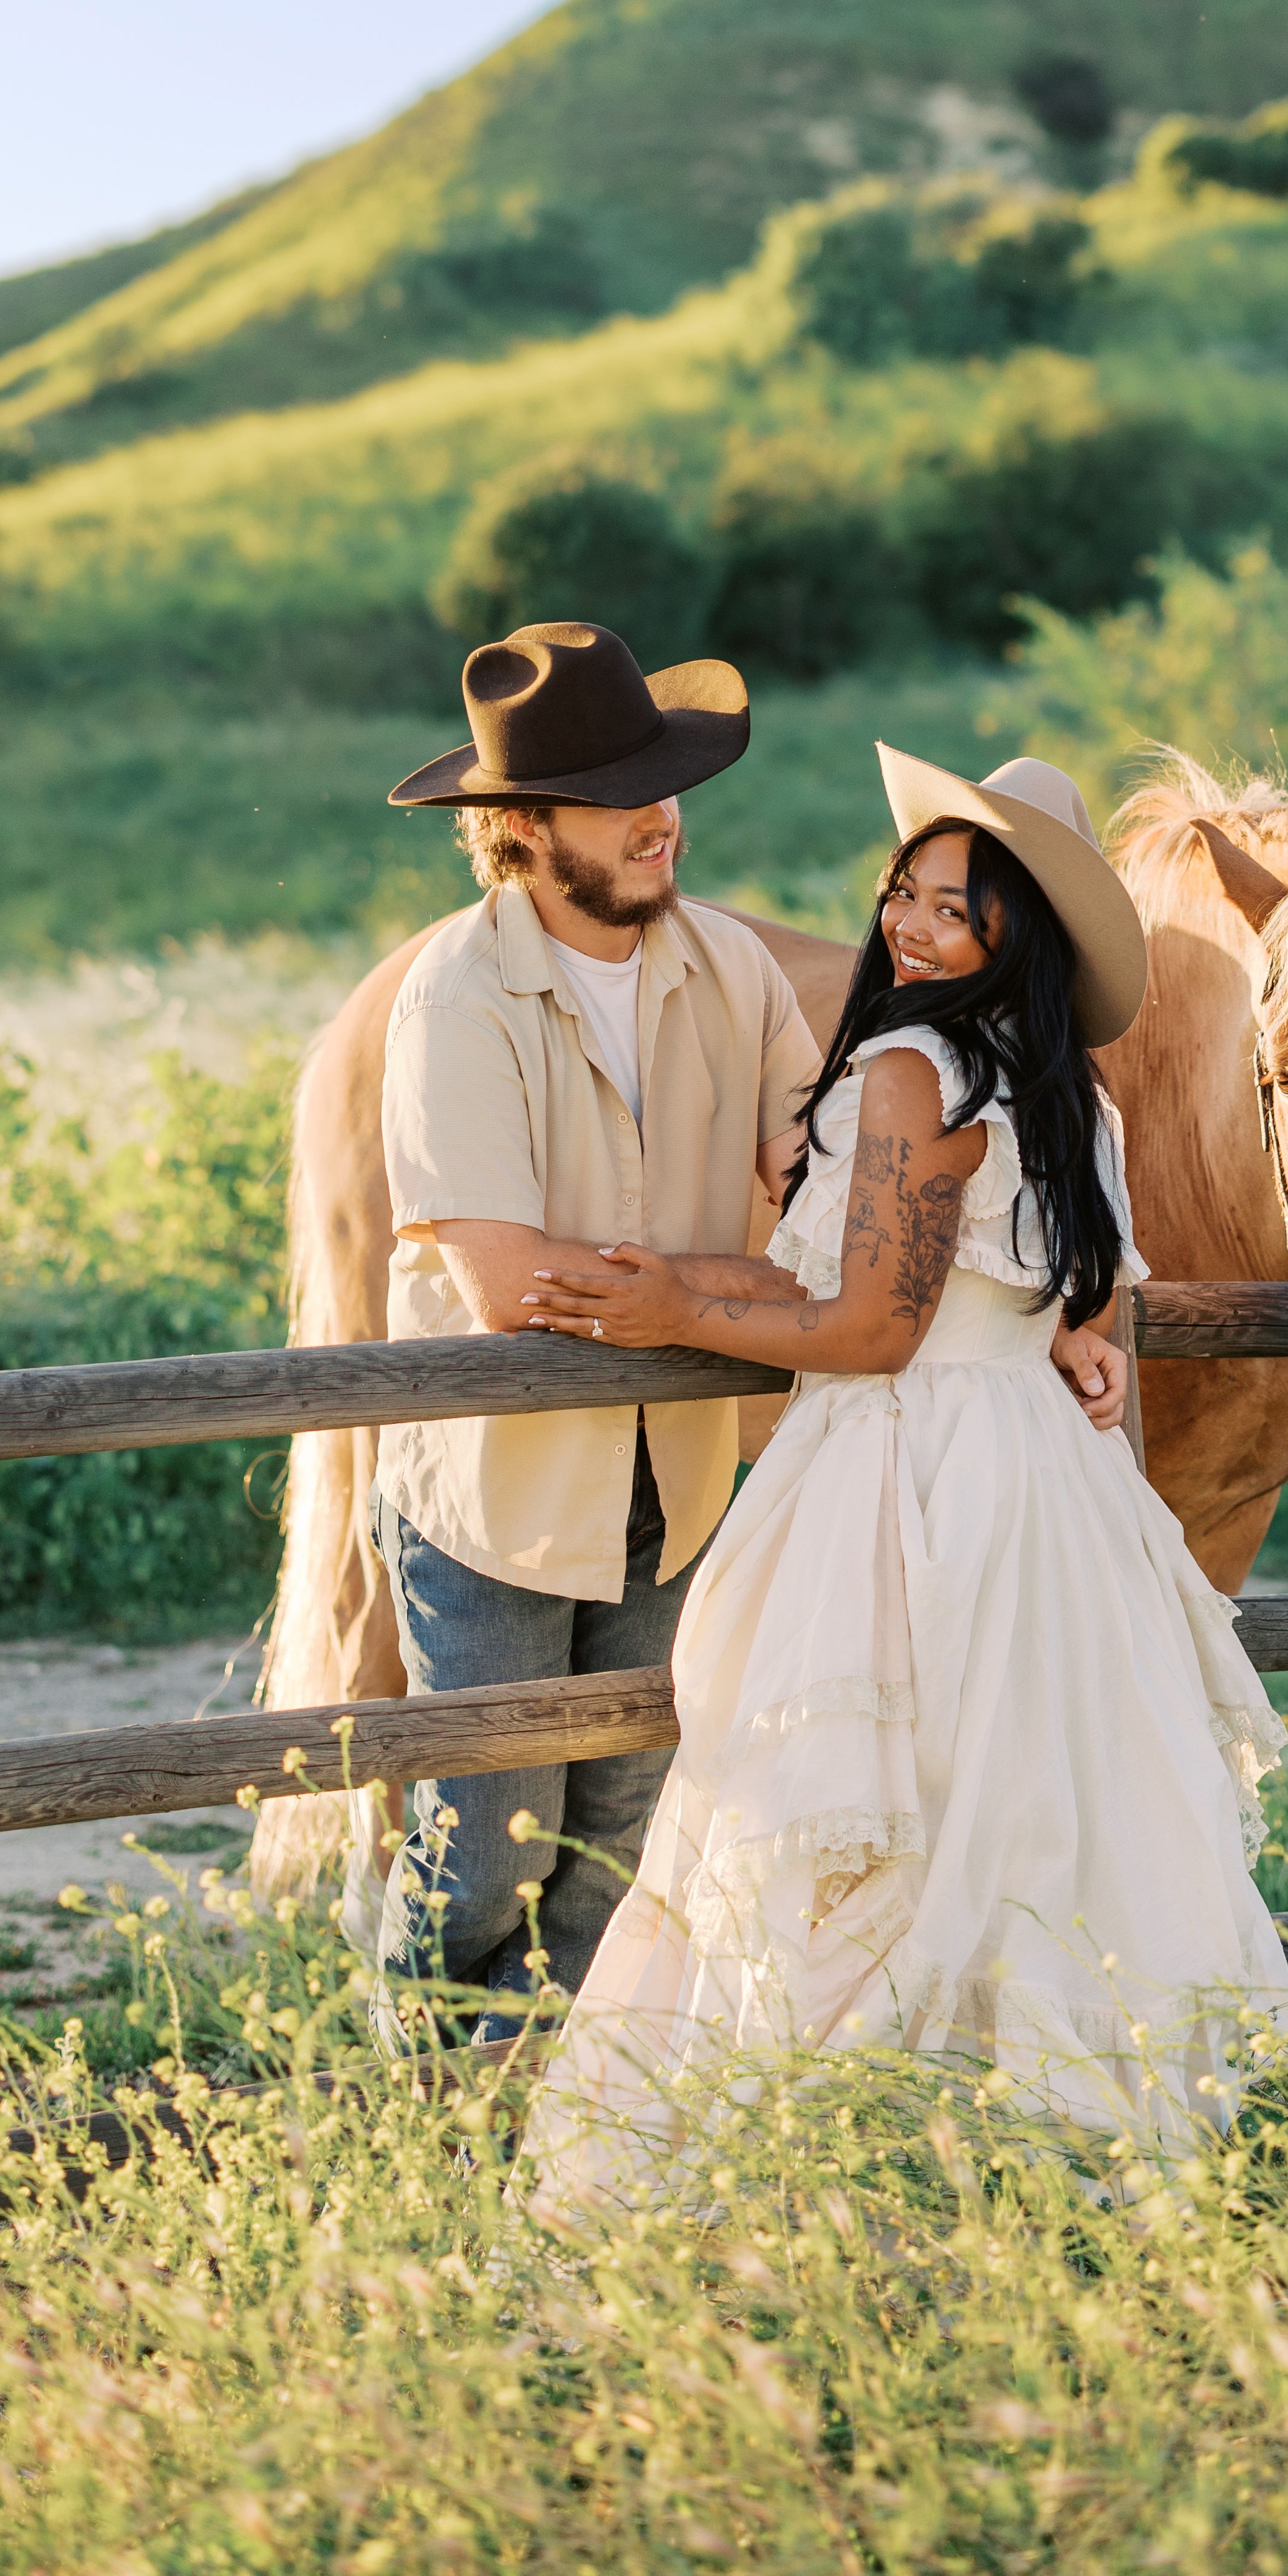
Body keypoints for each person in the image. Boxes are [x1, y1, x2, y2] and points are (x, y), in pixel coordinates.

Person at [516, 743, 1288, 2202]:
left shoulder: (907, 1067)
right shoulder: (1066, 1094)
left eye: (956, 907)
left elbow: (871, 1329)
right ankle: (1044, 2151)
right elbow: (1072, 1294)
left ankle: (831, 2155)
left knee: (853, 1805)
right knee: (1030, 1799)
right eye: (906, 892)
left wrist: (676, 1311)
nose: (911, 926)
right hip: (1039, 1487)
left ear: (1020, 940)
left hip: (905, 1473)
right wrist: (1075, 1347)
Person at [368, 619, 824, 2032]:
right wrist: (728, 1300)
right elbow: (513, 1288)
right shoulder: (454, 993)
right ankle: (421, 2116)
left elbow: (823, 1180)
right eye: (617, 795)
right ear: (519, 827)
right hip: (497, 1492)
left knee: (610, 1858)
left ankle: (557, 2144)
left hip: (672, 1480)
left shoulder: (732, 971)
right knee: (479, 1857)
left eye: (663, 782)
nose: (660, 817)